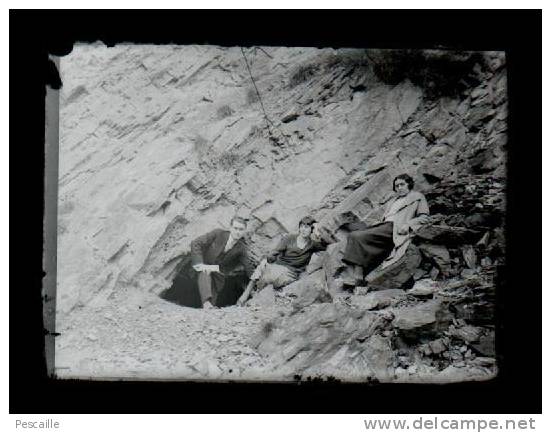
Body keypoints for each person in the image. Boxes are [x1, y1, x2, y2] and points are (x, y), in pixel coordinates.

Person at [340, 173, 430, 287]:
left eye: (402, 184)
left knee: (356, 236)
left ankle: (358, 275)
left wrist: (408, 225)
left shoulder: (417, 197)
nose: (399, 188)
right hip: (384, 226)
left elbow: (424, 217)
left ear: (409, 184)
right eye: (396, 186)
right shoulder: (394, 200)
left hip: (394, 228)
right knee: (354, 233)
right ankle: (357, 274)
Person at [161, 216, 254, 309]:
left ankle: (207, 306)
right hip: (201, 270)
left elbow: (248, 267)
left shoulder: (241, 248)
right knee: (205, 272)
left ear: (244, 231)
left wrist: (256, 280)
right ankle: (206, 303)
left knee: (210, 308)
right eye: (235, 228)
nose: (237, 232)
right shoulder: (218, 234)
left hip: (217, 277)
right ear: (230, 228)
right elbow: (196, 243)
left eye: (241, 229)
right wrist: (199, 264)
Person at [237, 216, 326, 306]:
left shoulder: (312, 245)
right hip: (278, 265)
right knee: (263, 265)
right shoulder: (290, 238)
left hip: (292, 272)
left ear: (311, 230)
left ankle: (256, 295)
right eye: (302, 226)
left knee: (271, 277)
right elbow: (275, 252)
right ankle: (245, 295)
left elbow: (326, 245)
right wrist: (269, 259)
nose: (303, 229)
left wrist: (318, 233)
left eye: (307, 227)